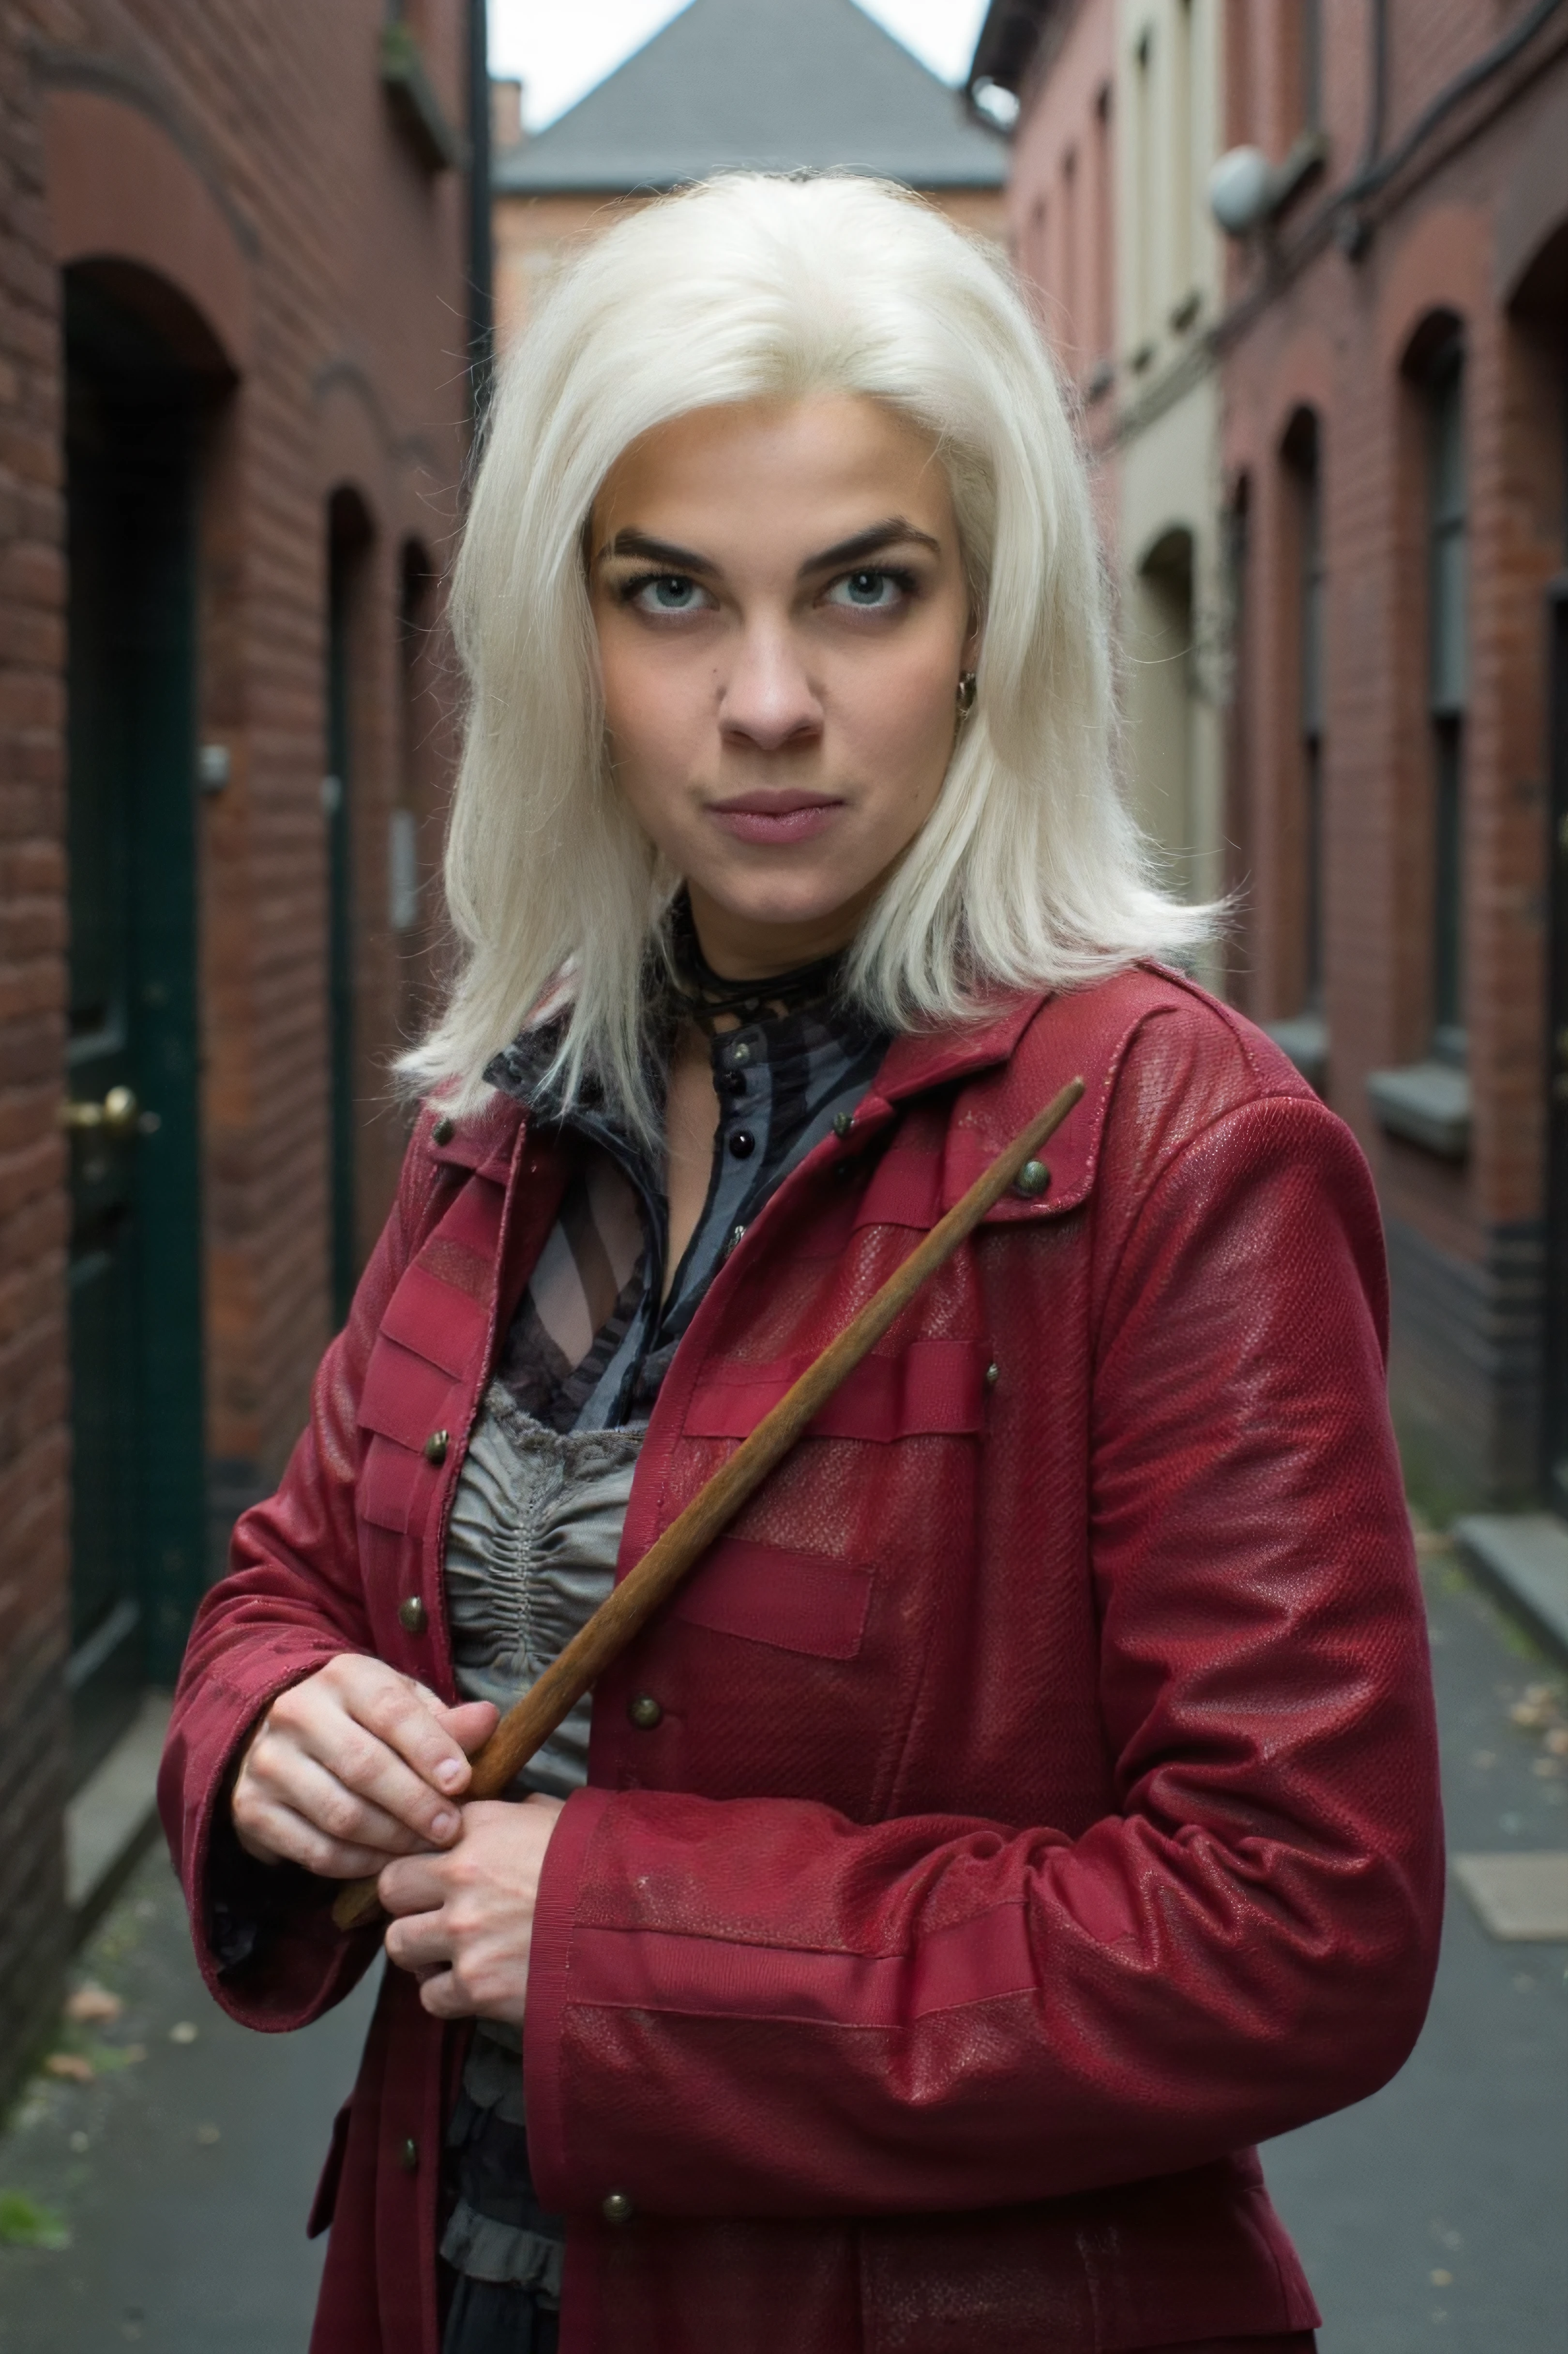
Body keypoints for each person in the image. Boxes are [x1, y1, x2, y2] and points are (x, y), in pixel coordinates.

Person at [160, 174, 1443, 2354]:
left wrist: (626, 1939)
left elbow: (1301, 1920)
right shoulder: (511, 1104)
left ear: (988, 629)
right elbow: (295, 1574)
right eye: (671, 594)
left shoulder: (1166, 1143)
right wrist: (271, 1731)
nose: (766, 699)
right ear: (571, 639)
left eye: (863, 588)